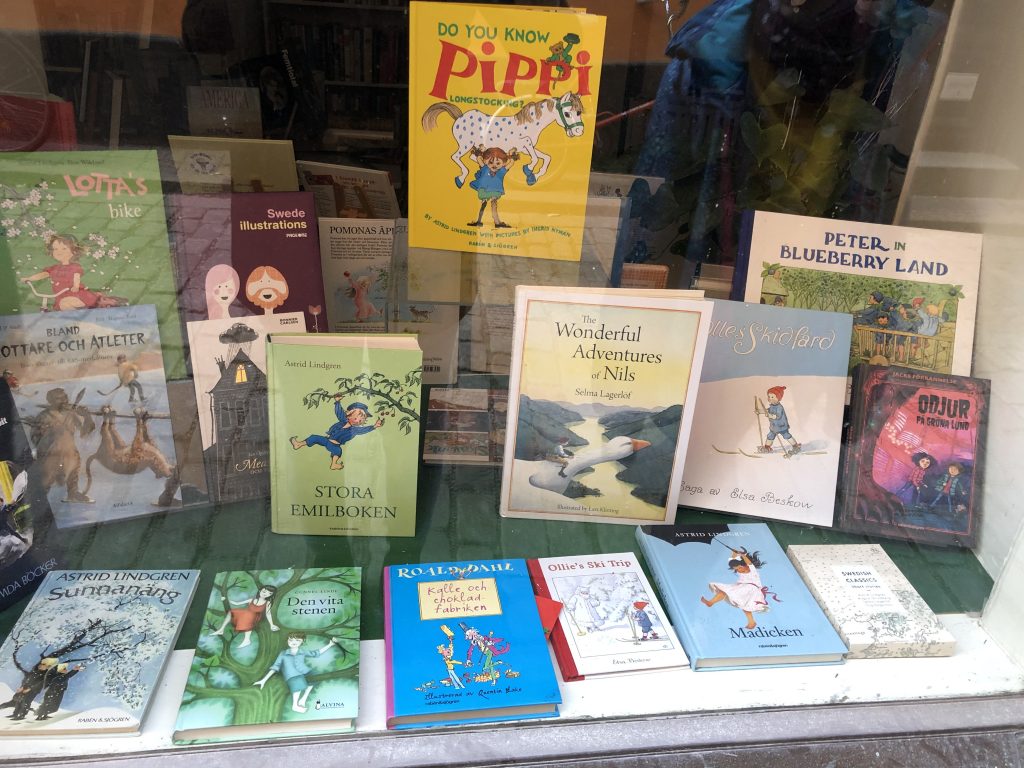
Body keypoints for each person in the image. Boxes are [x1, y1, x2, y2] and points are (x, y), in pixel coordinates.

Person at [21, 235, 126, 311]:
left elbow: (76, 276)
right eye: (55, 249)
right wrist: (30, 278)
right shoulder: (54, 268)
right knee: (62, 305)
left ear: (73, 251)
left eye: (64, 248)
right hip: (60, 296)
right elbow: (44, 274)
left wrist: (75, 286)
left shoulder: (74, 267)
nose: (59, 251)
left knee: (65, 304)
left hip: (76, 294)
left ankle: (80, 321)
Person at [253, 632, 337, 713]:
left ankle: (303, 699)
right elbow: (275, 666)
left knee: (315, 676)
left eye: (297, 640)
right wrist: (264, 680)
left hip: (305, 671)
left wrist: (330, 645)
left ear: (302, 642)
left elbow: (315, 653)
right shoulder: (283, 654)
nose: (293, 642)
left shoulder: (302, 651)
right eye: (291, 640)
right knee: (298, 681)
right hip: (292, 675)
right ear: (287, 641)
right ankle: (295, 705)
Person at [290, 398, 383, 471]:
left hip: (334, 445)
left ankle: (334, 464)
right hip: (327, 440)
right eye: (356, 418)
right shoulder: (343, 420)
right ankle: (299, 444)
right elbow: (339, 412)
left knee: (338, 451)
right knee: (314, 437)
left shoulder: (354, 430)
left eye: (360, 421)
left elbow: (364, 430)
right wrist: (337, 402)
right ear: (349, 415)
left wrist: (374, 426)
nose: (357, 422)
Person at [700, 548, 769, 630]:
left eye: (739, 568)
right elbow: (732, 561)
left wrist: (743, 555)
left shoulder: (752, 570)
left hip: (752, 589)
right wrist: (734, 553)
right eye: (736, 569)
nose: (738, 570)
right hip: (741, 587)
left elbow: (749, 563)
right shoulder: (739, 570)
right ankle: (711, 602)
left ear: (745, 565)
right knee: (724, 591)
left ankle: (751, 622)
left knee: (746, 605)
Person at [211, 584, 279, 648]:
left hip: (256, 617)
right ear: (260, 591)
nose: (266, 594)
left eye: (269, 593)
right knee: (232, 612)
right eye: (264, 591)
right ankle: (221, 629)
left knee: (249, 615)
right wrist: (225, 599)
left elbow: (268, 613)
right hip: (247, 615)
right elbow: (237, 603)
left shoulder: (267, 602)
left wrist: (271, 625)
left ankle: (247, 639)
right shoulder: (252, 600)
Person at [467, 146, 519, 228]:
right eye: (490, 162)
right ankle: (492, 222)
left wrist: (511, 155)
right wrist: (480, 152)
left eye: (498, 163)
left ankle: (493, 222)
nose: (494, 165)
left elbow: (511, 163)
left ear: (503, 163)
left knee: (489, 204)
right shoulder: (485, 168)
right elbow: (479, 159)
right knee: (488, 202)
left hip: (493, 191)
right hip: (485, 191)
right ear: (485, 161)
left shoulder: (501, 171)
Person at [758, 386, 800, 453]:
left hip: (781, 426)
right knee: (770, 436)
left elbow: (777, 416)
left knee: (786, 435)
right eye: (769, 397)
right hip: (774, 427)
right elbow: (767, 410)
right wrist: (760, 411)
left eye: (772, 397)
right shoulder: (772, 406)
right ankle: (767, 447)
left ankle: (795, 446)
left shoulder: (779, 407)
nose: (770, 398)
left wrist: (770, 415)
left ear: (778, 398)